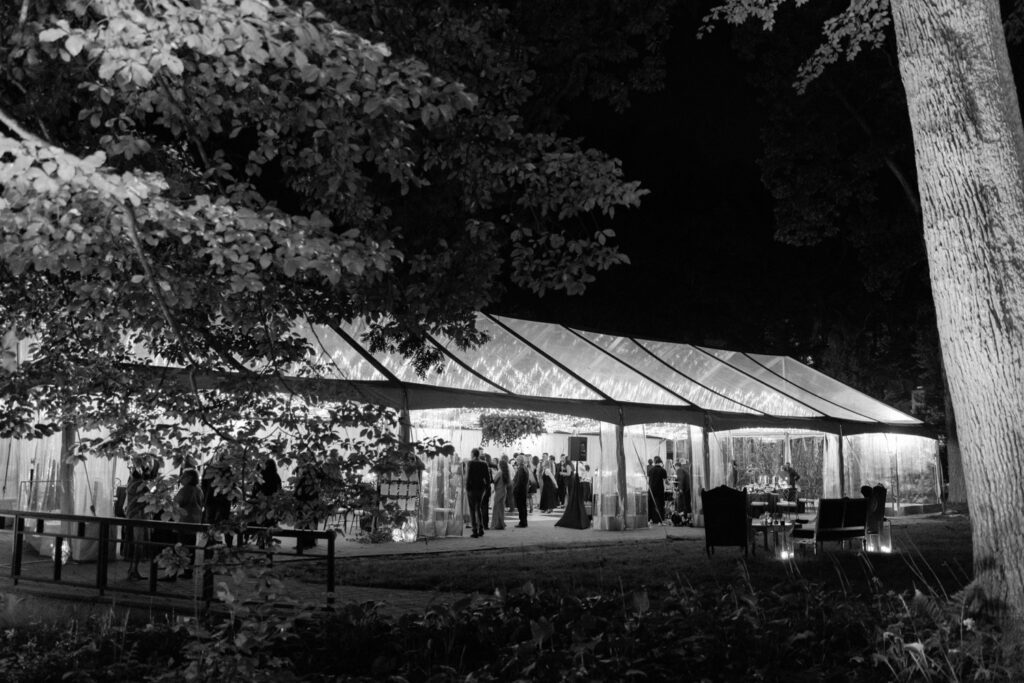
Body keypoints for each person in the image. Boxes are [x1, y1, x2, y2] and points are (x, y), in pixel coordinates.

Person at [172, 468, 204, 579]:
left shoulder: (185, 490)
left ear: (189, 478)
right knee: (190, 546)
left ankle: (177, 571)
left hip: (184, 521)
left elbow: (177, 503)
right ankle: (188, 570)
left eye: (183, 476)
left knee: (181, 546)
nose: (181, 478)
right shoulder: (199, 490)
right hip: (195, 522)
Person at [201, 457, 233, 547]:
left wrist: (205, 500)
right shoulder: (228, 470)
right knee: (223, 522)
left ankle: (211, 544)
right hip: (224, 500)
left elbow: (203, 486)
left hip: (211, 500)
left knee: (211, 523)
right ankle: (225, 545)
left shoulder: (209, 469)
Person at [465, 448, 492, 538]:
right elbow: (487, 477)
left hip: (472, 488)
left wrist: (467, 487)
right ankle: (481, 529)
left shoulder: (470, 463)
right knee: (478, 508)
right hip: (481, 488)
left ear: (473, 454)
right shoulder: (484, 463)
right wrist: (487, 487)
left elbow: (468, 476)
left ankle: (475, 530)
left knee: (472, 509)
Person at [491, 456, 510, 530]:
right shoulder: (505, 473)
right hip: (503, 491)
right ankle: (501, 523)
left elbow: (494, 480)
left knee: (496, 508)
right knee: (501, 508)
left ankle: (496, 524)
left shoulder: (499, 473)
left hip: (499, 491)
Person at [648, 456, 668, 524]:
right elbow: (666, 481)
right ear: (661, 462)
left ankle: (650, 519)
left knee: (651, 504)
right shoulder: (663, 470)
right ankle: (660, 520)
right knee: (660, 504)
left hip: (651, 489)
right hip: (659, 490)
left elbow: (648, 480)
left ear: (654, 462)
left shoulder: (651, 470)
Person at [512, 454, 529, 528]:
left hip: (520, 490)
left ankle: (522, 522)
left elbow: (519, 481)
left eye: (517, 460)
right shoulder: (524, 467)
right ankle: (524, 522)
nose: (516, 461)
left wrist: (515, 489)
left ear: (519, 460)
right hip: (523, 490)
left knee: (521, 507)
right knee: (523, 507)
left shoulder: (521, 468)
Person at [675, 460, 692, 526]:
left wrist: (680, 488)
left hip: (684, 489)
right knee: (687, 504)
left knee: (681, 504)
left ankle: (683, 518)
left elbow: (681, 480)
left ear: (677, 466)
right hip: (688, 488)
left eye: (675, 467)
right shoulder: (684, 470)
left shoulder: (679, 470)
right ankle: (688, 519)